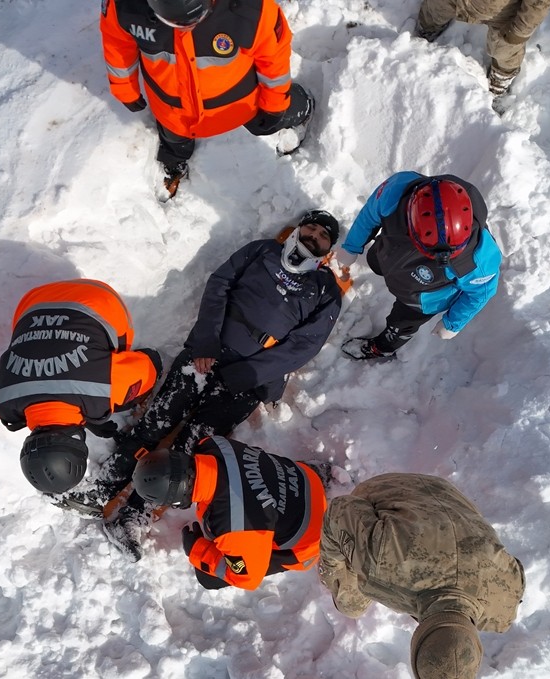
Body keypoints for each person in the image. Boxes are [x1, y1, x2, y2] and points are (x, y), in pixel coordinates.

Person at [85, 211, 342, 556]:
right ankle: (100, 490)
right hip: (206, 352)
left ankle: (131, 518)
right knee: (155, 423)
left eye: (322, 235)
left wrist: (247, 375)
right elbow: (219, 284)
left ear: (327, 251)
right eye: (309, 227)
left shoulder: (325, 290)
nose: (313, 235)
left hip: (248, 380)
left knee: (188, 449)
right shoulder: (263, 251)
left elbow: (303, 347)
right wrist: (205, 341)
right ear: (297, 229)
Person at [318, 473, 526, 679]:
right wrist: (332, 565)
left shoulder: (504, 607)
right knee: (350, 604)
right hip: (389, 489)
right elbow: (339, 510)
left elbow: (514, 567)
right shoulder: (381, 566)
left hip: (448, 493)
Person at [101, 0, 315, 196]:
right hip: (172, 110)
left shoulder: (253, 9)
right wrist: (124, 87)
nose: (186, 27)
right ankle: (174, 161)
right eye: (175, 22)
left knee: (268, 122)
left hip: (241, 103)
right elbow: (117, 42)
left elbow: (273, 59)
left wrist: (275, 105)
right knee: (174, 139)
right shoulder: (123, 6)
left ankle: (300, 107)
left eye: (195, 19)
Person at [0, 279, 162, 498]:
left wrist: (101, 405)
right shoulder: (3, 404)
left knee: (125, 393)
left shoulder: (105, 391)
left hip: (98, 298)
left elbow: (151, 363)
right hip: (31, 302)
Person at [335, 172, 500, 361]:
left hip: (424, 299)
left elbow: (481, 292)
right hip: (391, 255)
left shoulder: (478, 259)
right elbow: (369, 215)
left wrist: (452, 324)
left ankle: (383, 348)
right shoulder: (396, 192)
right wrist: (351, 246)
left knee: (400, 325)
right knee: (375, 261)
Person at [128, 436, 328, 580]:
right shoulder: (213, 444)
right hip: (307, 479)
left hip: (311, 538)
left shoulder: (235, 526)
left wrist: (198, 550)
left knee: (208, 578)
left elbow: (247, 578)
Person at [415, 0, 550, 96]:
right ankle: (426, 29)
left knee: (505, 50)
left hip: (504, 13)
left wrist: (519, 31)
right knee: (434, 12)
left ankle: (501, 76)